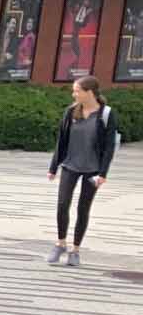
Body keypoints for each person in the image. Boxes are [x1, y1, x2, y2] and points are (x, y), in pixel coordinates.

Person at [47, 76, 118, 267]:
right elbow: (61, 141)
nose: (74, 94)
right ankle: (60, 243)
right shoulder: (70, 112)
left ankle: (75, 250)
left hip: (93, 169)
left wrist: (103, 173)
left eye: (77, 90)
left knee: (83, 208)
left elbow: (109, 147)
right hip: (70, 165)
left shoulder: (106, 114)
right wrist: (53, 167)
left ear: (89, 92)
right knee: (63, 204)